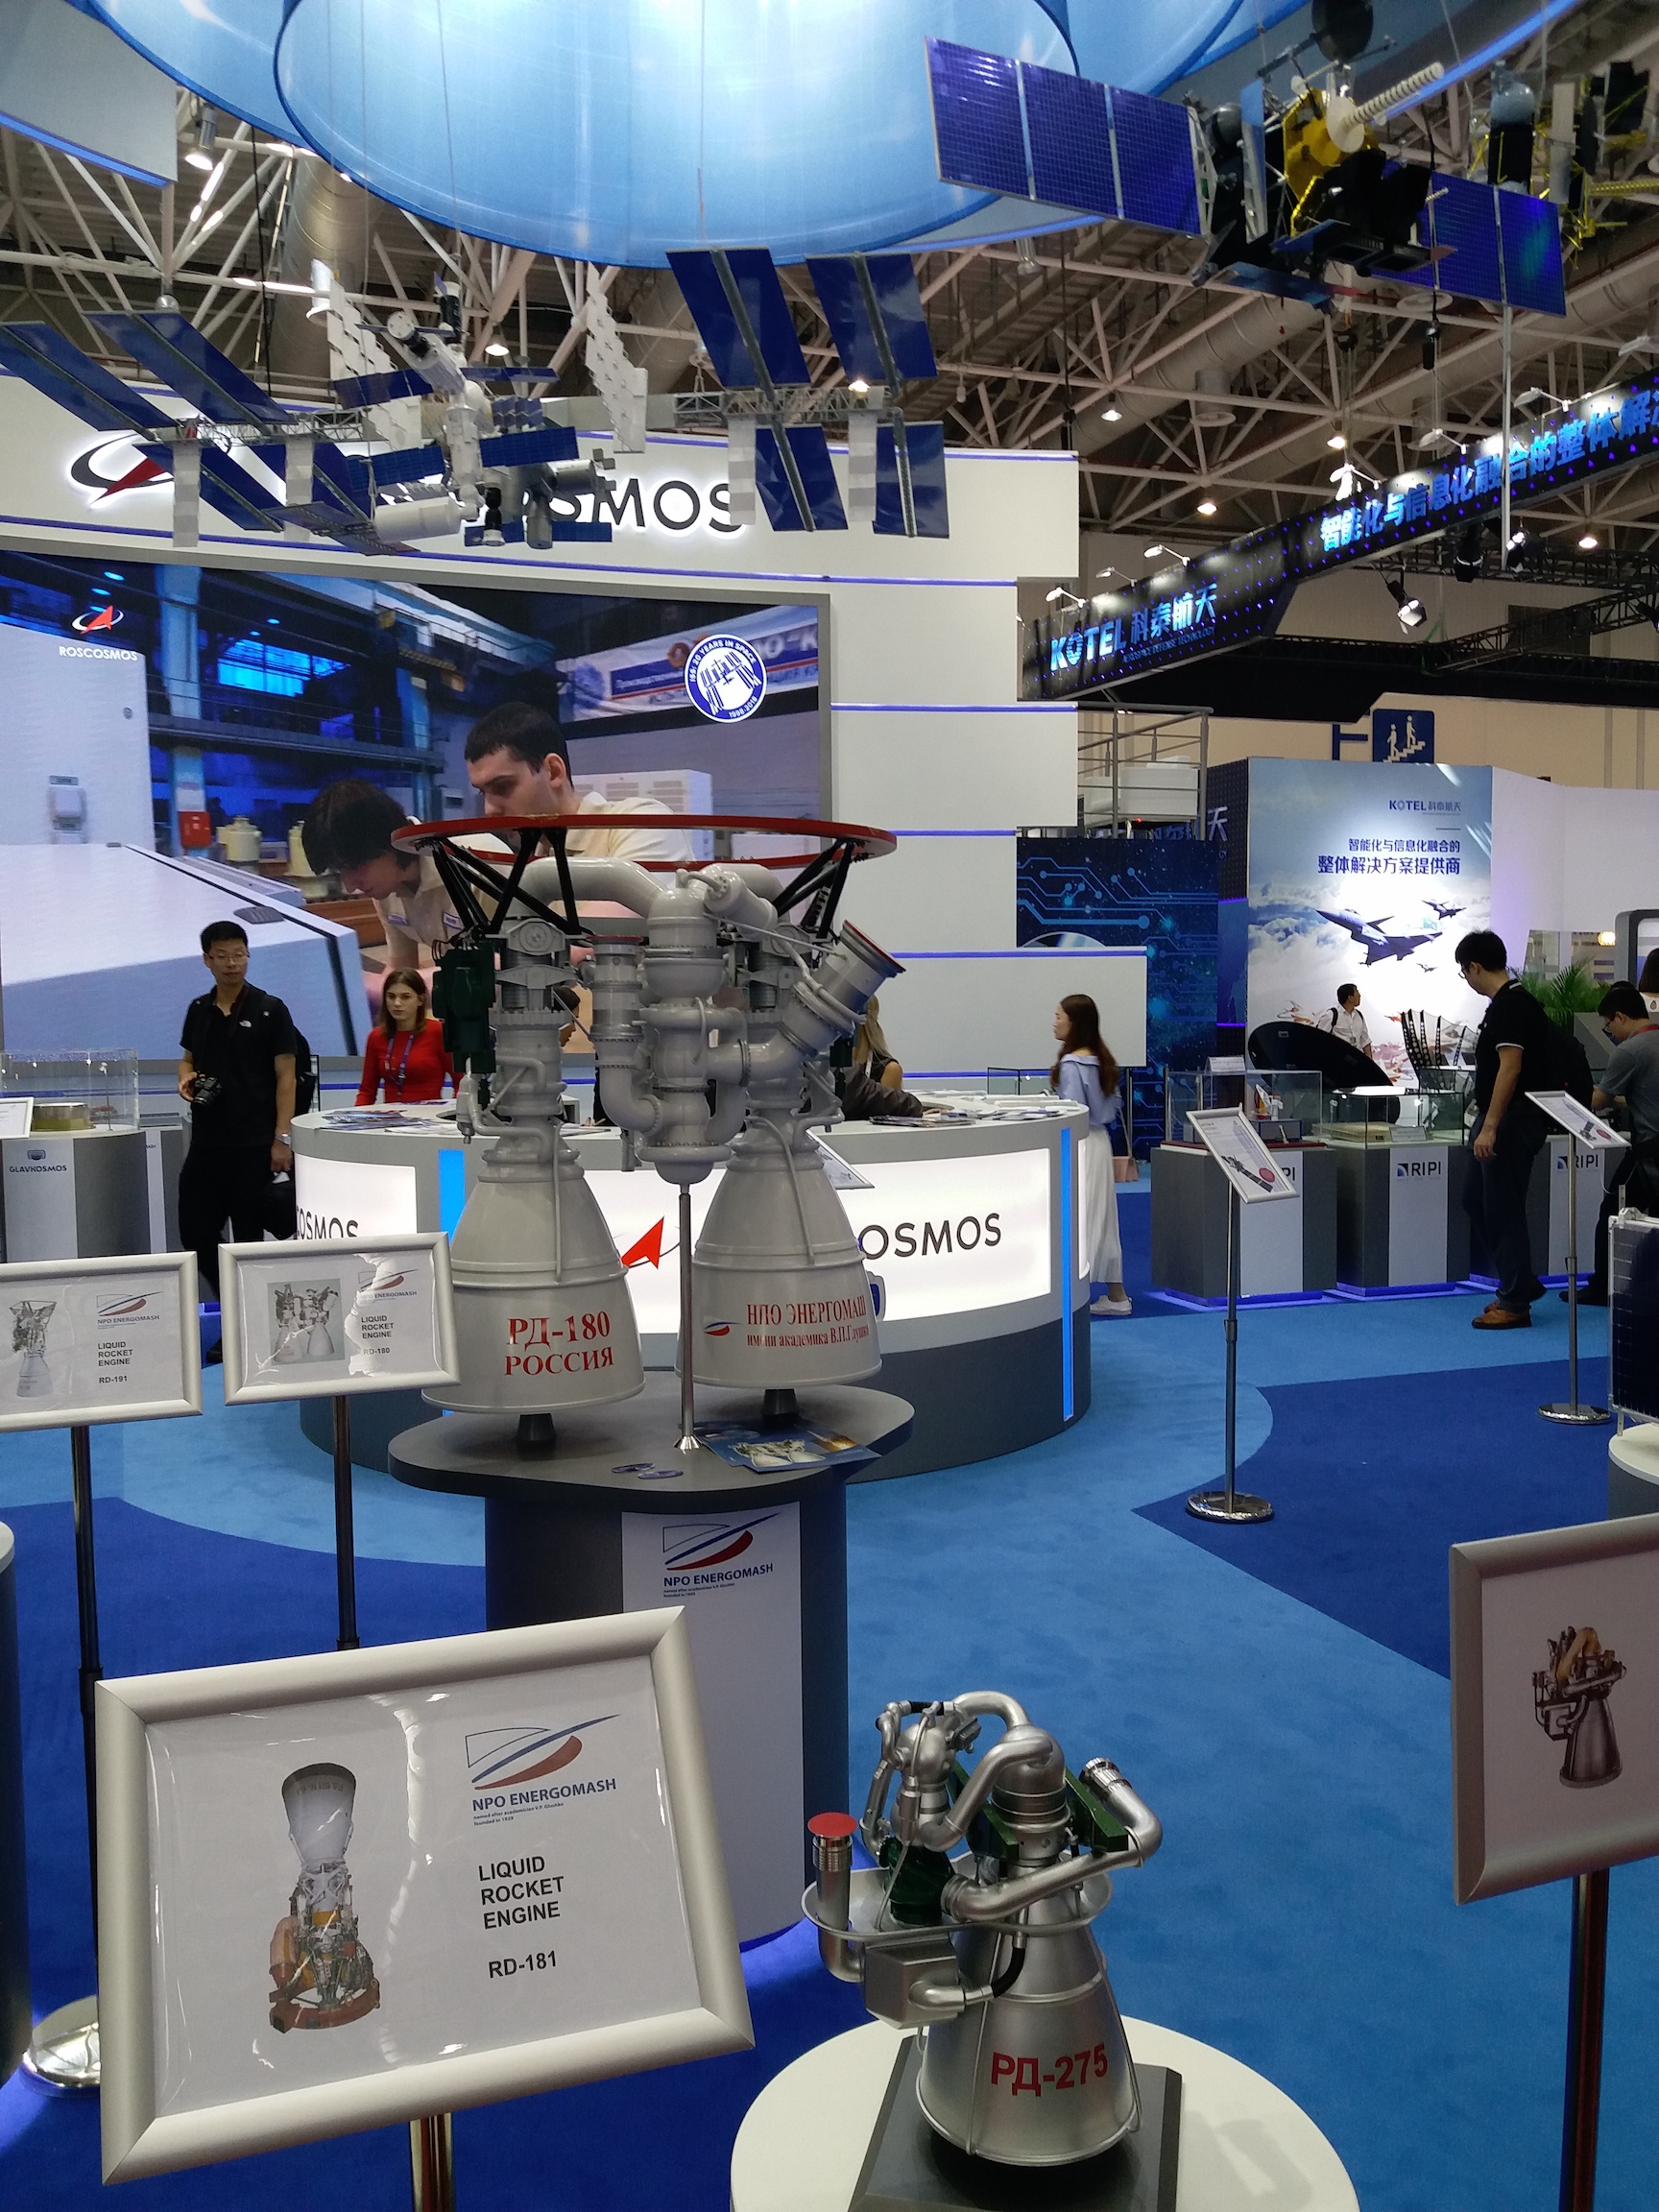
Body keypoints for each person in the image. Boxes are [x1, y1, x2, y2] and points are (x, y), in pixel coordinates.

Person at [177, 920, 298, 1306]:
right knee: (195, 1232)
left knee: (247, 1239)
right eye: (223, 956)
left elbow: (287, 1078)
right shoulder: (199, 1009)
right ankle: (233, 1303)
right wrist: (185, 1077)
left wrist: (282, 1139)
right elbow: (187, 1059)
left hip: (254, 1144)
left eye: (239, 955)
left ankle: (247, 1321)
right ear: (207, 960)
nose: (232, 963)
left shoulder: (270, 1010)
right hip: (207, 1142)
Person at [1457, 929, 1555, 1332]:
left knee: (1502, 1206)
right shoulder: (1503, 1005)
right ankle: (1520, 1280)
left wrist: (1491, 1126)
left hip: (1511, 1119)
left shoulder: (1512, 1005)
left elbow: (1510, 1068)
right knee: (1475, 1198)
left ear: (1475, 967)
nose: (1467, 979)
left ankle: (1515, 1300)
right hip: (1499, 1117)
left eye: (1464, 971)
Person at [464, 701, 694, 866]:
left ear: (554, 772)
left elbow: (610, 920)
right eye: (483, 792)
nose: (489, 810)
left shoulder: (643, 825)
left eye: (502, 787)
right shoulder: (538, 856)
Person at [301, 778, 462, 974]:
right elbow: (402, 968)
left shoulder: (470, 871)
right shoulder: (387, 889)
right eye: (339, 872)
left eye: (353, 866)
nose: (350, 887)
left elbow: (487, 972)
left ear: (388, 840)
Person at [1570, 981, 1659, 1305]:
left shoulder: (1629, 1050)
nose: (1610, 1033)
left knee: (1611, 1210)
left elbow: (1599, 1100)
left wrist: (1573, 1087)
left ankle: (1602, 1286)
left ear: (1620, 1017)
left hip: (1648, 1150)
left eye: (1608, 1026)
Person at [1052, 995, 1130, 1317]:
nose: (1054, 1022)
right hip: (1099, 1143)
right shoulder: (1102, 1059)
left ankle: (1072, 1296)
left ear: (1074, 1023)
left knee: (1076, 1216)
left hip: (1079, 1144)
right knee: (1103, 1219)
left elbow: (1072, 1111)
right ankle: (1117, 1294)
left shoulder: (1072, 1063)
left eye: (1059, 1016)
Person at [356, 970, 453, 1105]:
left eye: (405, 997)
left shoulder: (438, 1032)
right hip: (391, 1116)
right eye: (391, 997)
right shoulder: (376, 1037)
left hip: (429, 1115)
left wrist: (456, 1113)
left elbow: (460, 1082)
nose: (397, 1003)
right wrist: (357, 1116)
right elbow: (367, 1092)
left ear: (420, 1000)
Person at [1318, 983, 1373, 1058]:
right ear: (1350, 997)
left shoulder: (1359, 1015)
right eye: (1357, 993)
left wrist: (1370, 1062)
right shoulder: (1331, 1015)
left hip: (1355, 1059)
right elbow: (1320, 1039)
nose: (1360, 996)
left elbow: (1365, 1041)